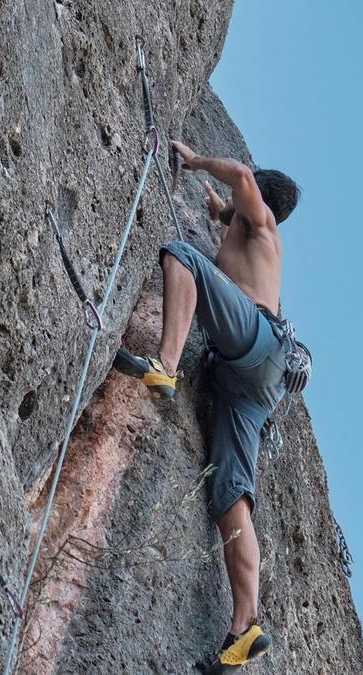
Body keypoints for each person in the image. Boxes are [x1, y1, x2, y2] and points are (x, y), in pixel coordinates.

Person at [111, 140, 300, 673]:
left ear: (259, 196)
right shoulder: (248, 230)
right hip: (256, 382)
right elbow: (231, 210)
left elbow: (240, 174)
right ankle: (245, 626)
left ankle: (165, 364)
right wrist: (219, 209)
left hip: (256, 341)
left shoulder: (261, 222)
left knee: (181, 254)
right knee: (230, 495)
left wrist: (194, 161)